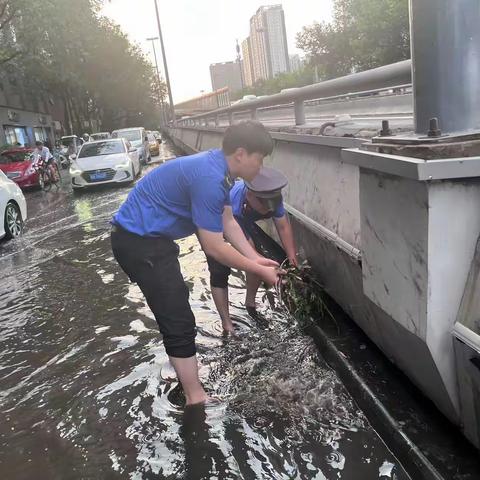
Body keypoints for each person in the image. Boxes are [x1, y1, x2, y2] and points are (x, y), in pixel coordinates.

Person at [110, 121, 281, 406]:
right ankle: (195, 397)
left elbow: (227, 220)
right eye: (259, 160)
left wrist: (255, 258)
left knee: (177, 307)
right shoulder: (210, 179)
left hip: (150, 239)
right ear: (241, 154)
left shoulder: (220, 172)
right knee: (176, 315)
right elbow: (214, 248)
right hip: (139, 242)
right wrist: (259, 270)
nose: (260, 168)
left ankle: (188, 384)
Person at [206, 167, 298, 333]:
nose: (269, 209)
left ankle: (250, 302)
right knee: (220, 270)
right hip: (218, 223)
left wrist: (293, 261)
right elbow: (239, 239)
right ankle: (227, 323)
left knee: (257, 259)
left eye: (272, 203)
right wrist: (264, 270)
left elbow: (283, 227)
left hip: (243, 221)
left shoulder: (273, 198)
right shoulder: (233, 201)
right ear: (249, 194)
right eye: (264, 203)